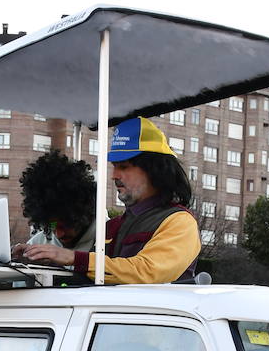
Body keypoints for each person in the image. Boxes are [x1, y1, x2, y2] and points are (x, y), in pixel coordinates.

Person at [21, 117, 199, 285]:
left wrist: (72, 258)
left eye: (123, 167)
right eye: (114, 167)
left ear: (155, 169)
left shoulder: (180, 222)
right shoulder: (112, 227)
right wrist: (32, 261)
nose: (114, 176)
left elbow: (147, 271)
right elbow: (88, 278)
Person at [10, 151, 99, 262]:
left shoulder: (107, 239)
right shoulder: (39, 243)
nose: (58, 234)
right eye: (51, 225)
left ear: (83, 214)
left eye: (65, 225)